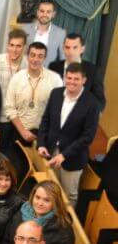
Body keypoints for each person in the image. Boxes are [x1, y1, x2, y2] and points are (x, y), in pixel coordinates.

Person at [37, 63, 101, 205]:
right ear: (64, 77)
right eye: (69, 78)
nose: (71, 82)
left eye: (76, 79)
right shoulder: (56, 93)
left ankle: (64, 225)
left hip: (73, 158)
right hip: (50, 152)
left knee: (68, 196)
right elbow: (45, 120)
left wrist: (64, 155)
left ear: (84, 80)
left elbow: (87, 137)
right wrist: (41, 144)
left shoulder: (92, 103)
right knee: (48, 190)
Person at [4, 180, 75, 244]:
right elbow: (7, 243)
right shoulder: (19, 215)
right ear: (32, 196)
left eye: (46, 200)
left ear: (55, 203)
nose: (40, 203)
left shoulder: (64, 230)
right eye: (37, 197)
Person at [4, 42, 63, 145]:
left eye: (40, 56)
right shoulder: (16, 78)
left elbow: (59, 109)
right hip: (19, 132)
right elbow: (9, 108)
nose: (35, 60)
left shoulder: (55, 79)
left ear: (44, 58)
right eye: (33, 55)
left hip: (44, 135)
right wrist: (23, 132)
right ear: (27, 56)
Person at [0, 28, 29, 153]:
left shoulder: (28, 64)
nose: (14, 50)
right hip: (0, 118)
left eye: (18, 46)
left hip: (20, 120)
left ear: (24, 47)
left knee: (15, 155)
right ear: (7, 45)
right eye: (12, 45)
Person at [48, 33, 105, 109]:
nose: (71, 52)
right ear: (63, 48)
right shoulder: (53, 67)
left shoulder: (92, 70)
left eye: (75, 48)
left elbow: (99, 99)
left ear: (82, 49)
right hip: (54, 113)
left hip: (80, 116)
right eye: (67, 47)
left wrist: (91, 116)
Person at [22, 0, 66, 66]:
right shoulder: (25, 29)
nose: (44, 14)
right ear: (37, 12)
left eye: (48, 12)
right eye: (42, 11)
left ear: (53, 14)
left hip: (47, 73)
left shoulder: (60, 33)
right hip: (25, 71)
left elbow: (63, 58)